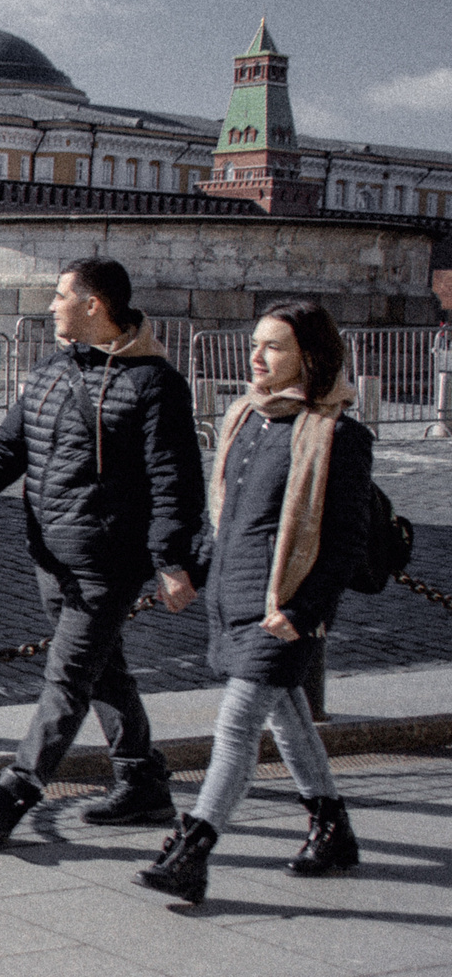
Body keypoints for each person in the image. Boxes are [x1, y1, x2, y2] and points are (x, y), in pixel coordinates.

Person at [0, 257, 203, 843]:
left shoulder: (155, 384)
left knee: (67, 677)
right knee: (101, 669)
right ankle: (142, 784)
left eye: (61, 295)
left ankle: (13, 793)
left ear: (94, 305)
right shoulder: (50, 370)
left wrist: (170, 560)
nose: (51, 305)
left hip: (107, 559)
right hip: (49, 552)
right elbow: (13, 441)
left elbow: (174, 480)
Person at [138, 300, 369, 905]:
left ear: (310, 358)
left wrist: (303, 610)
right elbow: (228, 519)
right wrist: (190, 570)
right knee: (287, 719)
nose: (257, 357)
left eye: (275, 347)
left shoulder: (339, 436)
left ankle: (193, 849)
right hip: (233, 597)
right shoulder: (246, 418)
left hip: (283, 605)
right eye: (256, 344)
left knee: (238, 723)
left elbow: (345, 541)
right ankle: (332, 828)